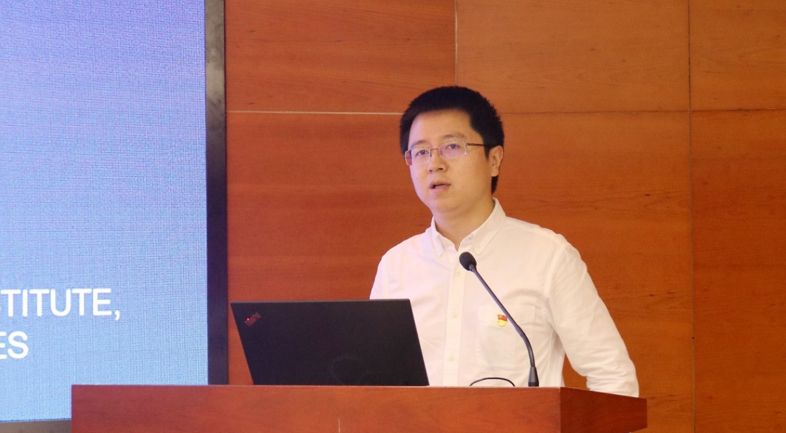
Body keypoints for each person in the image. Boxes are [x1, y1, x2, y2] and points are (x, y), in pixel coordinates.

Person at [370, 86, 638, 396]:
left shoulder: (548, 256)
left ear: (494, 159)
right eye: (420, 152)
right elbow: (373, 384)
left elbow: (612, 375)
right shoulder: (397, 266)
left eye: (452, 146)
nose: (434, 163)